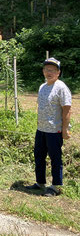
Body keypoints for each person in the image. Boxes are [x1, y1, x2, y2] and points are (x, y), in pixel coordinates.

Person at [26, 57, 72, 197]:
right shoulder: (42, 87)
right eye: (46, 70)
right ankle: (40, 183)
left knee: (55, 158)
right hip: (41, 129)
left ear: (58, 72)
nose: (49, 72)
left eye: (52, 70)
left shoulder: (61, 87)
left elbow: (67, 109)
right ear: (43, 71)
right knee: (39, 156)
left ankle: (56, 186)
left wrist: (64, 129)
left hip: (55, 130)